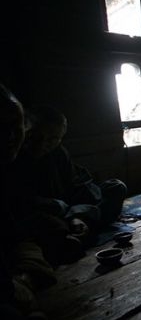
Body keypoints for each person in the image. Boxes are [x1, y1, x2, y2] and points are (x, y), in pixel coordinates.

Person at [13, 104, 127, 262]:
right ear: (27, 132)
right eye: (37, 137)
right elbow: (20, 202)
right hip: (50, 213)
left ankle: (79, 228)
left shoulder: (59, 153)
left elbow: (76, 187)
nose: (43, 143)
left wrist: (77, 215)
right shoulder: (15, 156)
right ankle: (75, 234)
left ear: (60, 139)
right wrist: (60, 209)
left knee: (116, 187)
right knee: (45, 224)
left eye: (53, 139)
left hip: (73, 208)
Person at [1, 83, 57, 320]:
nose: (10, 135)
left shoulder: (54, 156)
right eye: (1, 127)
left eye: (14, 126)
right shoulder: (19, 166)